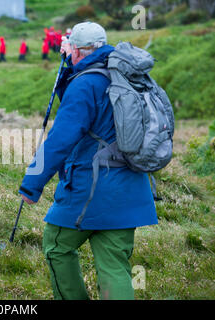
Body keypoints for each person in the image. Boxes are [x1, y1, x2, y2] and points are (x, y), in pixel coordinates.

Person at [18, 22, 157, 300]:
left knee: (57, 246)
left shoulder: (85, 84)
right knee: (115, 265)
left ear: (78, 51)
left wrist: (31, 184)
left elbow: (61, 139)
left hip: (89, 189)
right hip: (131, 187)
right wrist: (70, 69)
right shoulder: (124, 75)